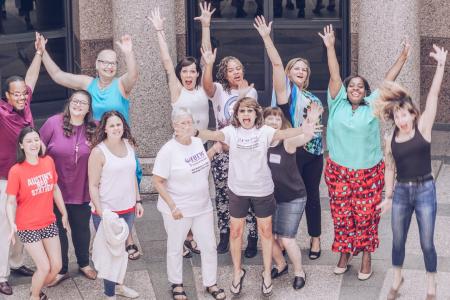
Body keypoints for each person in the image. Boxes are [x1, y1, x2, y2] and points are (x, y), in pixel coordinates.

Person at [196, 97, 321, 296]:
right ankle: (237, 273)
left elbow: (286, 133)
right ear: (236, 114)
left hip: (263, 191)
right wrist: (194, 131)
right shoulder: (230, 132)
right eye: (242, 111)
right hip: (237, 191)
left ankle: (268, 274)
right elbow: (213, 133)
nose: (246, 114)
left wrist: (307, 126)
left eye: (250, 111)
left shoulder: (265, 132)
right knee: (236, 233)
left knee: (266, 234)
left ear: (256, 115)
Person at [319, 24, 410, 280]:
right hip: (338, 171)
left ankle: (367, 254)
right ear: (346, 90)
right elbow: (335, 75)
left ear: (366, 91)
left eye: (360, 86)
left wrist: (402, 57)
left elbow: (388, 80)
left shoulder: (373, 105)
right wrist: (330, 47)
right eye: (352, 86)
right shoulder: (336, 104)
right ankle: (345, 253)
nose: (355, 88)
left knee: (366, 216)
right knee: (341, 215)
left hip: (369, 172)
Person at [40, 33, 142, 260]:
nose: (109, 66)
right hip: (97, 149)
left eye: (113, 63)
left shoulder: (121, 85)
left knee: (125, 190)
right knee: (100, 191)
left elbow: (134, 74)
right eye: (104, 62)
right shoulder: (88, 84)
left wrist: (128, 52)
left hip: (120, 144)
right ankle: (99, 237)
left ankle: (129, 237)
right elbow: (58, 76)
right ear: (96, 65)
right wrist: (42, 52)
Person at [374, 45, 447, 300]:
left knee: (427, 242)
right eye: (397, 115)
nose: (402, 119)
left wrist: (440, 66)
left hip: (426, 188)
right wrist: (388, 196)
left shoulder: (423, 128)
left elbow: (433, 97)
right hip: (402, 192)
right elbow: (390, 167)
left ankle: (431, 286)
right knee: (397, 240)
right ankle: (397, 279)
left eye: (405, 115)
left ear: (413, 114)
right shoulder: (390, 137)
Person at [254, 16, 324, 260]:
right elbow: (275, 64)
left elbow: (317, 128)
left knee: (312, 196)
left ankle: (315, 239)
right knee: (283, 195)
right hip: (287, 153)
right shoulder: (284, 94)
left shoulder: (312, 99)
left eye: (304, 70)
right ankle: (283, 238)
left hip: (311, 154)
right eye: (296, 68)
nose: (301, 72)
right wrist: (266, 38)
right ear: (288, 73)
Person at [149, 4, 214, 258]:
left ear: (197, 74)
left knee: (199, 188)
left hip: (201, 146)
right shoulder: (177, 90)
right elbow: (166, 62)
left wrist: (206, 25)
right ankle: (183, 235)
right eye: (185, 71)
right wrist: (160, 31)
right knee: (178, 189)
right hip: (180, 147)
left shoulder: (203, 89)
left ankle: (193, 234)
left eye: (192, 71)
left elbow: (207, 55)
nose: (189, 74)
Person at [152, 107, 226, 300]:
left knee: (209, 246)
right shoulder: (168, 151)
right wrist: (172, 206)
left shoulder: (196, 142)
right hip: (179, 210)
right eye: (182, 123)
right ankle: (176, 284)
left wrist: (213, 150)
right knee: (176, 247)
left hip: (202, 207)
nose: (187, 126)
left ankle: (211, 283)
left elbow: (200, 164)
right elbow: (157, 181)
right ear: (174, 126)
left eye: (189, 122)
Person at [201, 39, 259, 257]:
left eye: (238, 68)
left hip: (246, 153)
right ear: (224, 74)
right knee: (224, 196)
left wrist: (244, 95)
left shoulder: (251, 93)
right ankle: (225, 235)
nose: (235, 72)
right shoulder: (218, 91)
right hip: (223, 154)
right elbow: (206, 86)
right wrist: (208, 64)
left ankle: (252, 238)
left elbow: (247, 121)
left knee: (250, 196)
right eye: (230, 69)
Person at [0, 32, 44, 296]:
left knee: (23, 223)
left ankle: (16, 264)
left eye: (22, 94)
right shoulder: (2, 112)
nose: (20, 97)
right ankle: (1, 274)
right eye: (15, 94)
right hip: (4, 178)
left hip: (26, 175)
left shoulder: (25, 105)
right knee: (5, 227)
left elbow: (31, 80)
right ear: (6, 95)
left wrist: (38, 53)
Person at [39, 90, 98, 286]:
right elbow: (38, 150)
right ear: (69, 103)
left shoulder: (95, 128)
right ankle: (62, 268)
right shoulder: (52, 123)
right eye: (75, 101)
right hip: (55, 190)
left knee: (81, 229)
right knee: (58, 230)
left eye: (83, 103)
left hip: (82, 189)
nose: (78, 105)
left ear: (89, 108)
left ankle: (83, 263)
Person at [5, 127, 70, 300]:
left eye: (36, 139)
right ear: (21, 145)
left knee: (56, 266)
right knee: (44, 267)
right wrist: (12, 224)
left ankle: (37, 286)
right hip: (27, 226)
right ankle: (35, 296)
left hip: (48, 221)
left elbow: (55, 188)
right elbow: (11, 201)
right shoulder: (16, 171)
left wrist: (64, 213)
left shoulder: (48, 161)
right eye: (28, 141)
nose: (34, 144)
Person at [88, 110, 144, 299]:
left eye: (118, 124)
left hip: (127, 208)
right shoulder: (98, 152)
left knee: (120, 253)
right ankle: (109, 294)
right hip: (107, 212)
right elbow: (93, 186)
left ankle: (119, 286)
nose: (116, 128)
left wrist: (138, 200)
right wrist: (102, 212)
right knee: (110, 255)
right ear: (104, 129)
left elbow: (133, 177)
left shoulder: (129, 145)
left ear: (123, 126)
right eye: (111, 125)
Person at [264, 106, 320, 290]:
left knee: (287, 239)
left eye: (277, 119)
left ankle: (299, 272)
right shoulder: (259, 143)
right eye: (269, 119)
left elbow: (304, 137)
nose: (273, 122)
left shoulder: (286, 142)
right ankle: (280, 265)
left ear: (282, 123)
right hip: (271, 198)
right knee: (268, 236)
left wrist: (310, 122)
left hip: (293, 197)